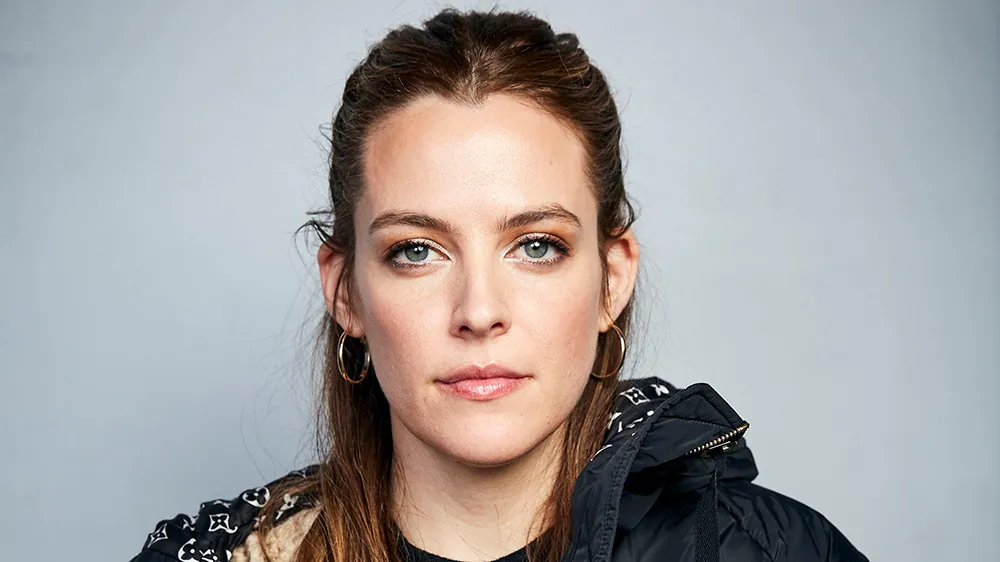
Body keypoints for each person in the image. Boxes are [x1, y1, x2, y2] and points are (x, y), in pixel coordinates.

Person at [130, 8, 868, 562]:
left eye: (536, 246)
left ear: (611, 279)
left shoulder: (771, 553)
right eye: (416, 251)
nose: (479, 311)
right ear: (346, 291)